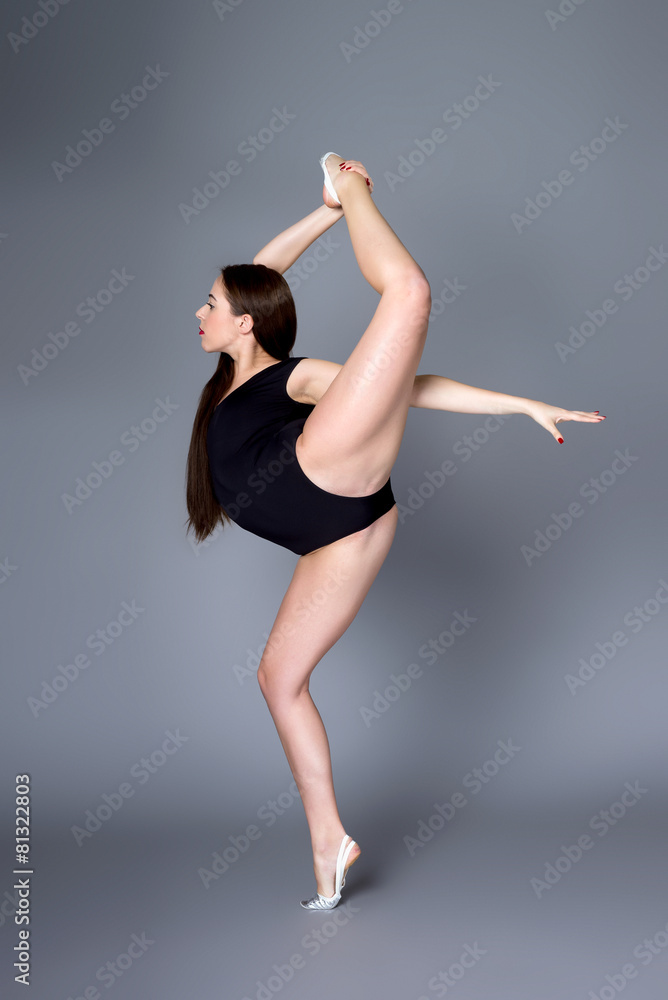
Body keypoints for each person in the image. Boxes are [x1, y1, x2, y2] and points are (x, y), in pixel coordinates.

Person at [185, 152, 605, 909]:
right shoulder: (228, 378)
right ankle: (328, 842)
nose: (199, 311)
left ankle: (353, 179)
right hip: (341, 533)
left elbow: (404, 389)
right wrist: (323, 213)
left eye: (208, 302)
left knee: (409, 295)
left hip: (320, 476)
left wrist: (519, 404)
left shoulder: (293, 377)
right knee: (278, 681)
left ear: (241, 323)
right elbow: (256, 270)